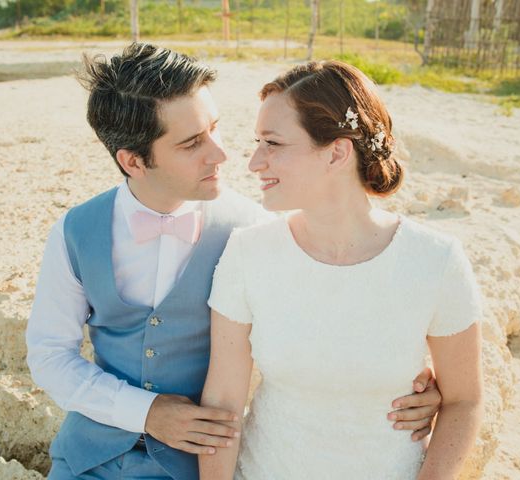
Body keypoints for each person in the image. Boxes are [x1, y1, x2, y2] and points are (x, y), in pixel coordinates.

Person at [26, 44, 443, 480]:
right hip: (84, 458)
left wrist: (411, 380)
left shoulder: (253, 230)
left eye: (215, 129)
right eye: (192, 144)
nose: (221, 155)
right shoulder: (75, 231)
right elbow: (50, 355)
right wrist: (146, 412)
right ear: (132, 161)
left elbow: (331, 314)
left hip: (194, 463)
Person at [200, 60, 483, 480]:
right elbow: (223, 405)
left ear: (336, 152)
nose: (254, 162)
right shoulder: (247, 254)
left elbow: (464, 400)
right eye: (257, 142)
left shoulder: (435, 261)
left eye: (273, 143)